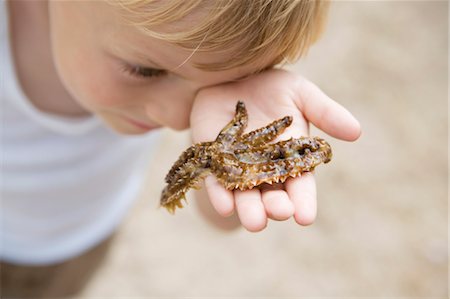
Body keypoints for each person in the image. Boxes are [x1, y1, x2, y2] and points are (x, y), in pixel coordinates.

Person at [0, 0, 361, 297]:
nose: (176, 118)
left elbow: (217, 207)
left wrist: (243, 183)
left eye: (232, 80)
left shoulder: (145, 45)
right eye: (146, 70)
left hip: (75, 243)